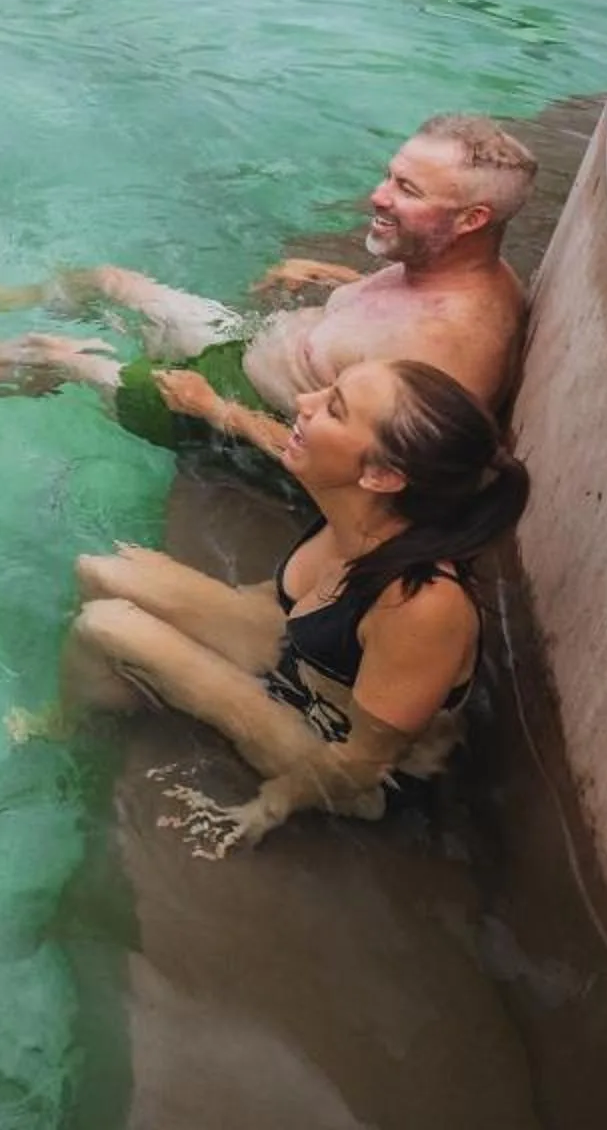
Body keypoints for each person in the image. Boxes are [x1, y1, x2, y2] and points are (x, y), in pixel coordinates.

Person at [42, 358, 529, 858]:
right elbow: (283, 604)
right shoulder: (356, 506)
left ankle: (66, 735)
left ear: (382, 475)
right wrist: (216, 409)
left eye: (333, 410)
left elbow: (362, 763)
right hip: (300, 663)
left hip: (339, 756)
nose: (303, 402)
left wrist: (269, 805)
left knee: (102, 626)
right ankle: (122, 692)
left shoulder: (420, 606)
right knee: (100, 571)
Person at [0, 115, 537, 442]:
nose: (380, 196)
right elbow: (389, 318)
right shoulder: (464, 268)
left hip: (223, 408)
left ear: (471, 220)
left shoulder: (450, 351)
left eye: (408, 190)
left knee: (51, 353)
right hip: (253, 346)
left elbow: (358, 482)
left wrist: (213, 412)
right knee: (108, 279)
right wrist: (339, 278)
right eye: (390, 174)